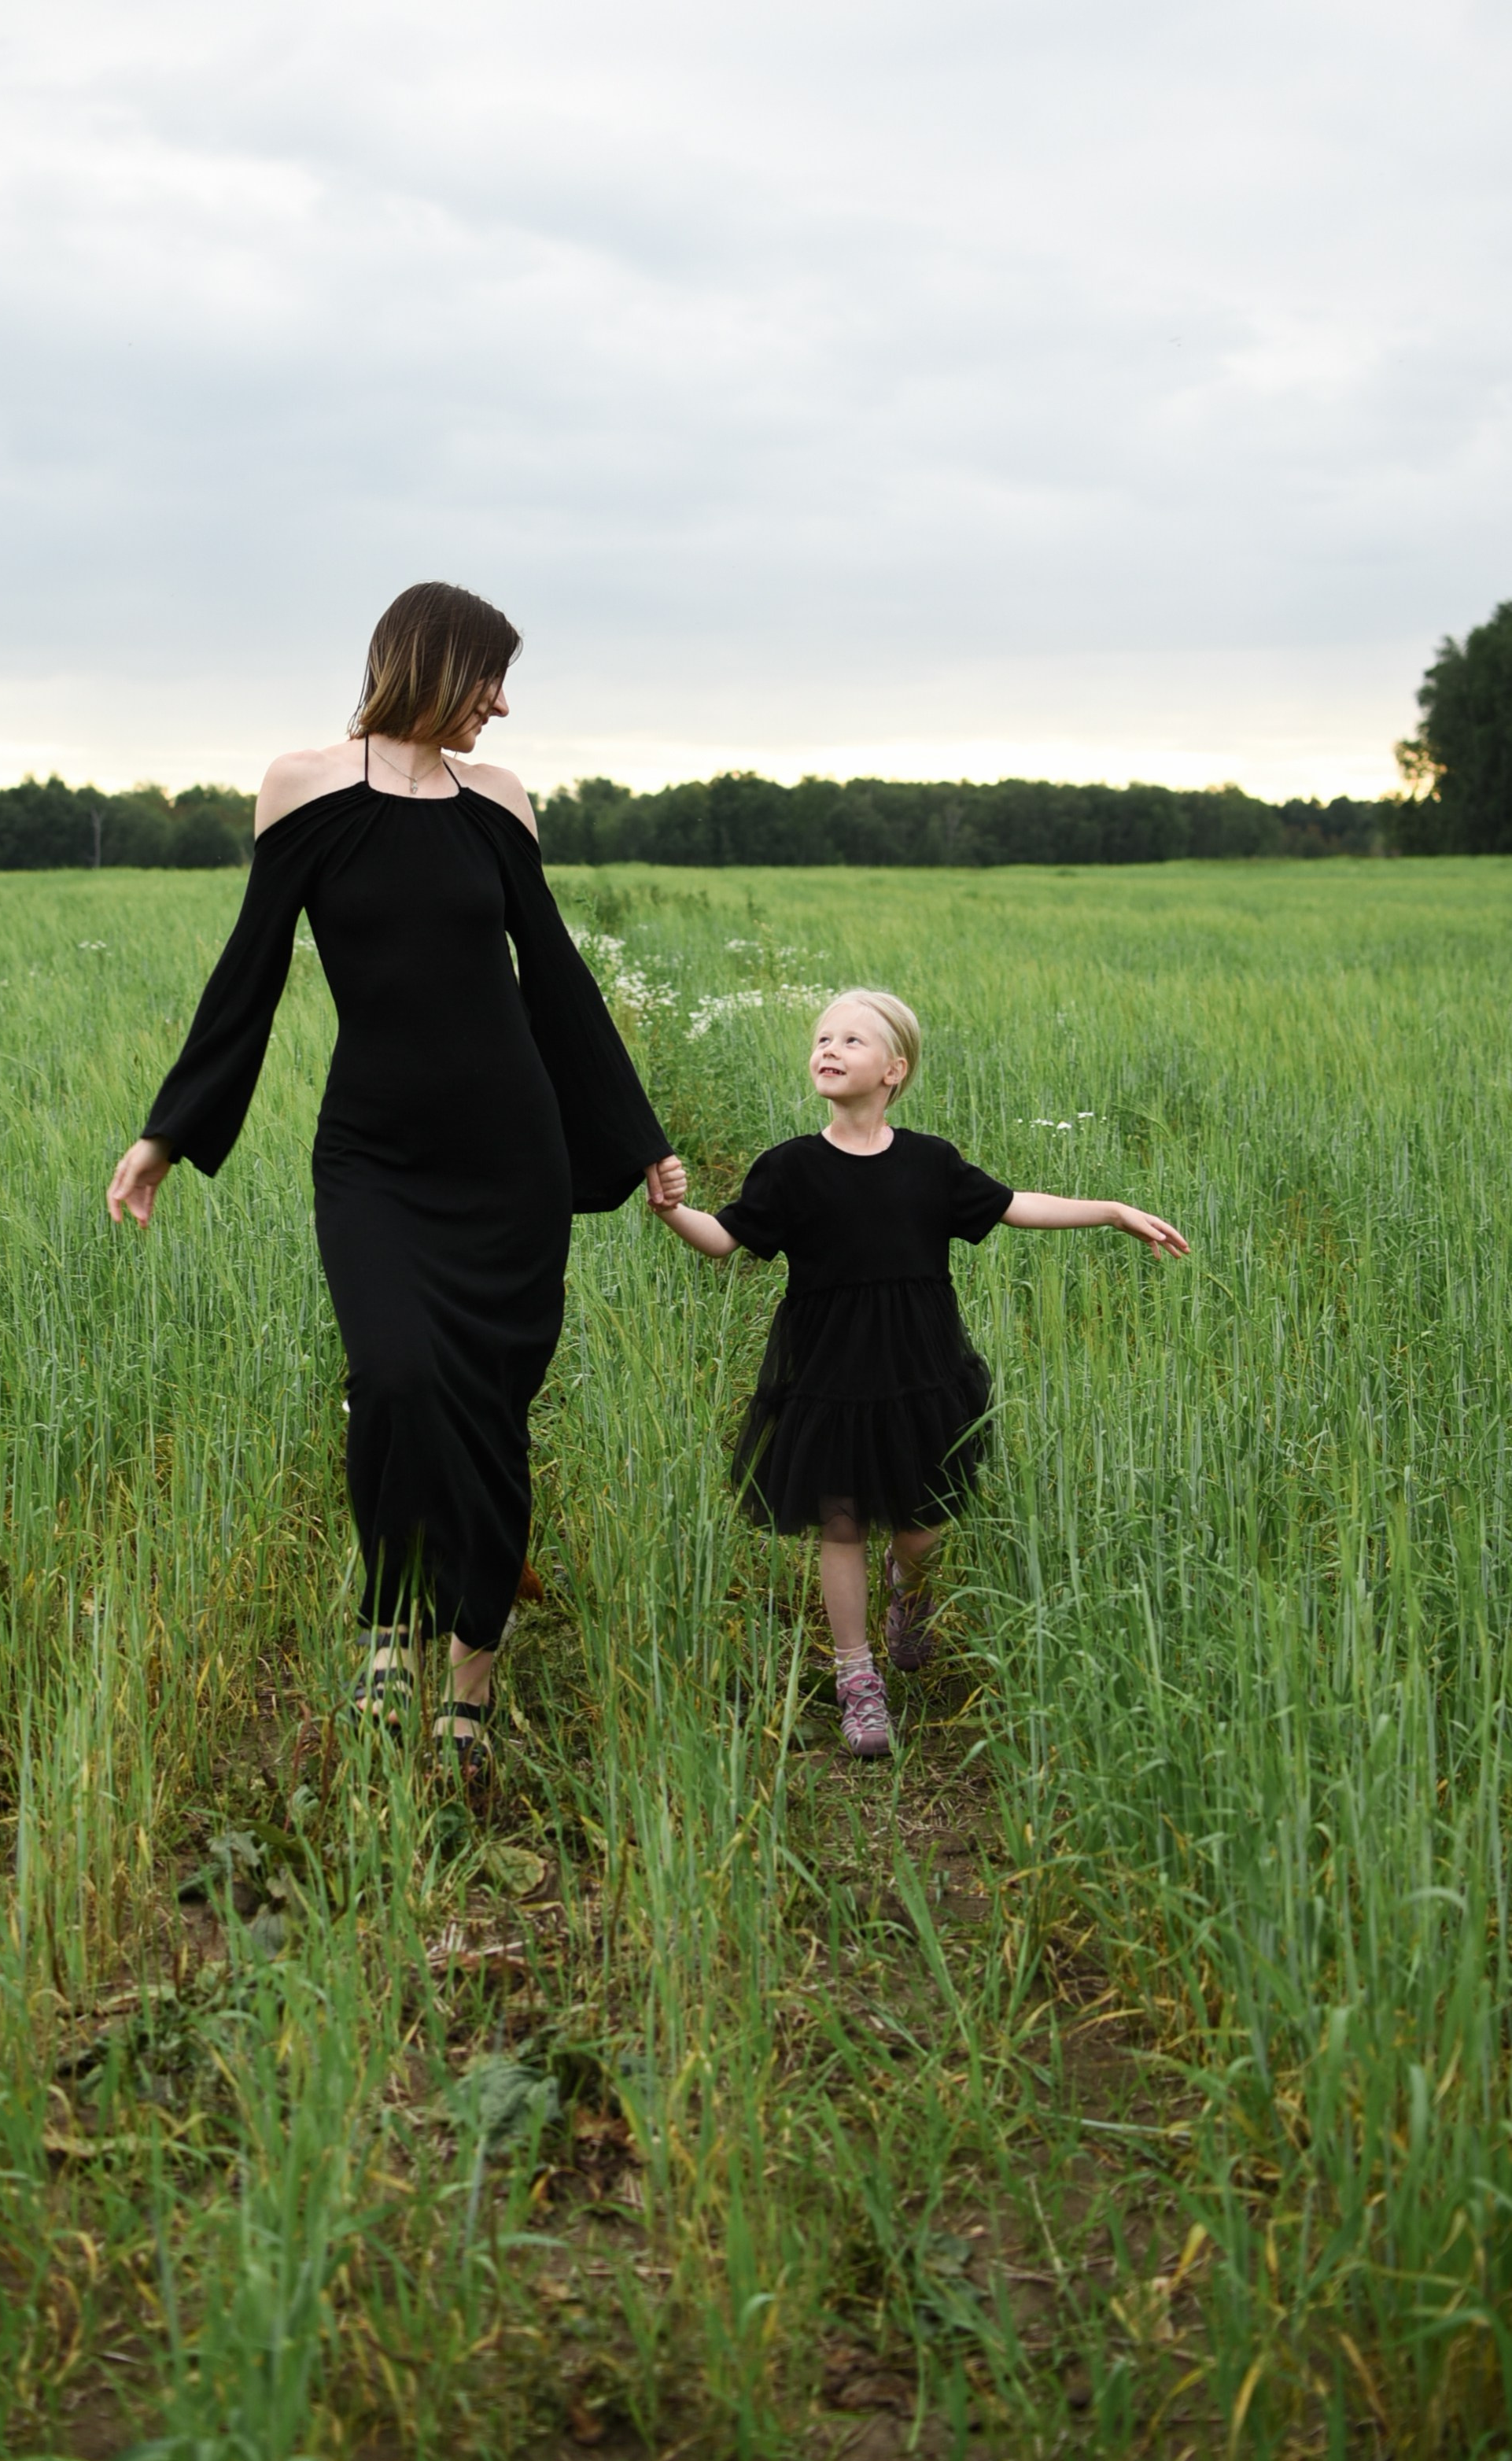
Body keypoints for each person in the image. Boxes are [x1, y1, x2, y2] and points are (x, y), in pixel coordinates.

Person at [107, 583, 680, 1774]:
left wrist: (633, 1136)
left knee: (486, 1408)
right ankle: (388, 1614)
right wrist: (168, 1129)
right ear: (432, 663)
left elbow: (558, 978)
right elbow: (249, 970)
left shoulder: (497, 803)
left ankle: (469, 1661)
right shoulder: (303, 788)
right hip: (373, 1158)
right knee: (397, 1377)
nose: (504, 707)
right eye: (490, 680)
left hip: (506, 1158)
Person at [645, 991, 1186, 1758]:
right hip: (828, 1375)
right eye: (822, 1037)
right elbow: (722, 1239)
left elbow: (1012, 1206)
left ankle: (909, 1590)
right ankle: (856, 1678)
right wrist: (671, 1208)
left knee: (920, 1523)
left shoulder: (930, 1162)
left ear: (893, 1069)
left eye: (852, 1040)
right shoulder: (791, 1167)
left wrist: (1110, 1210)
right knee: (840, 1521)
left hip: (920, 1369)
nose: (828, 1048)